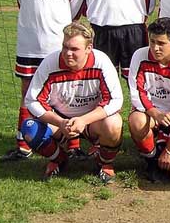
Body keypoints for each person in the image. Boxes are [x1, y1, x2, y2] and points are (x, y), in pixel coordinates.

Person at [3, 0, 85, 162]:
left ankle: (72, 144)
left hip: (57, 42)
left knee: (65, 94)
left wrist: (59, 26)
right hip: (29, 40)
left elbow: (77, 2)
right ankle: (24, 145)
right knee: (28, 92)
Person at [19, 22, 124, 183]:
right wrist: (60, 122)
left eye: (74, 49)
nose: (68, 53)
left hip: (91, 121)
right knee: (29, 128)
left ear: (89, 48)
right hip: (61, 122)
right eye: (65, 47)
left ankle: (104, 163)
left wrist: (83, 120)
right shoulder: (50, 63)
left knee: (114, 123)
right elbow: (32, 100)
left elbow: (116, 100)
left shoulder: (101, 62)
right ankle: (59, 159)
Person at [128, 17, 170, 181]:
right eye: (152, 42)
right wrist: (155, 113)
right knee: (136, 120)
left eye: (161, 43)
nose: (155, 48)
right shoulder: (140, 55)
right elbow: (137, 92)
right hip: (151, 114)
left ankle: (166, 146)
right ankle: (151, 160)